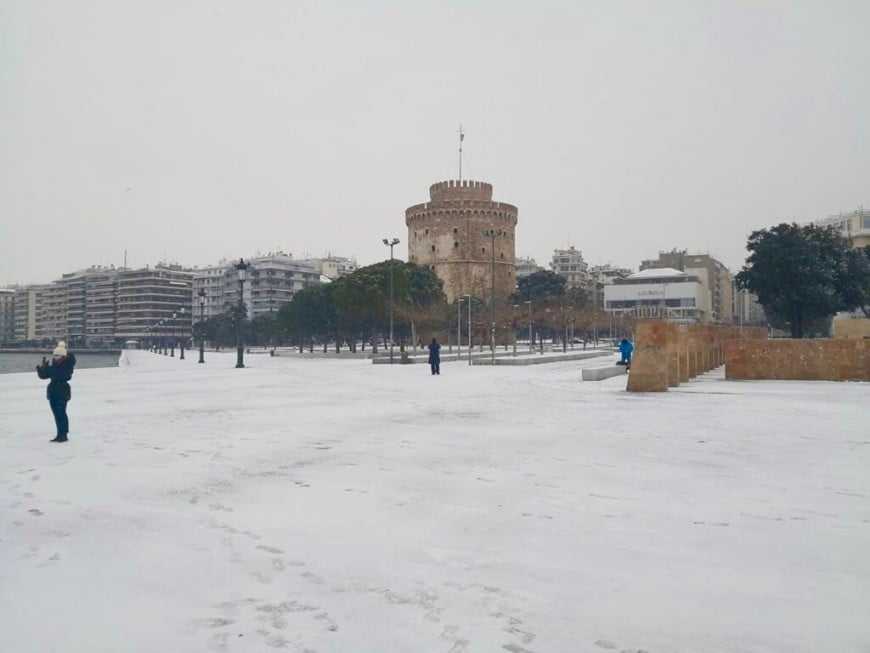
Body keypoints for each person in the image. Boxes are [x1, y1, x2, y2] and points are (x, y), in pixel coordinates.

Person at [36, 341, 77, 443]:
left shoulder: (67, 366)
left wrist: (48, 369)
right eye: (54, 355)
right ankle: (60, 434)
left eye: (58, 356)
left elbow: (62, 375)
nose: (55, 357)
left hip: (62, 392)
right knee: (57, 415)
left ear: (63, 357)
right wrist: (41, 369)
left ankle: (63, 435)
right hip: (53, 392)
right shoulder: (54, 366)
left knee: (61, 414)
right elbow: (44, 376)